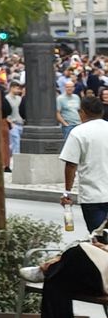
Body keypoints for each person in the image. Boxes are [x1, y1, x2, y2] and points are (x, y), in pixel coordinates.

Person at [61, 92, 108, 232]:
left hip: (92, 196)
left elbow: (71, 165)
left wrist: (66, 193)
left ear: (83, 112)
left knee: (98, 240)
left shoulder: (78, 133)